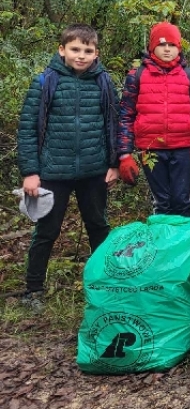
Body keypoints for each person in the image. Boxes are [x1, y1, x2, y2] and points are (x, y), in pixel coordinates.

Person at [16, 24, 119, 312]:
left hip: (94, 170)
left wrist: (114, 164)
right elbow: (27, 130)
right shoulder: (45, 82)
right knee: (46, 231)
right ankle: (34, 290)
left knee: (98, 226)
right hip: (52, 172)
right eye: (75, 49)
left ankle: (106, 284)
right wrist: (30, 172)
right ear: (62, 50)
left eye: (88, 51)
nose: (81, 56)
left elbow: (114, 124)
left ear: (96, 53)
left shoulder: (104, 82)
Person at [117, 22, 190, 216]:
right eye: (162, 45)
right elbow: (125, 117)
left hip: (182, 148)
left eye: (172, 45)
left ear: (179, 48)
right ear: (152, 47)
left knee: (182, 201)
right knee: (161, 203)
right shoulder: (137, 75)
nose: (167, 49)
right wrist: (124, 154)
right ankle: (163, 244)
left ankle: (185, 245)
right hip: (151, 149)